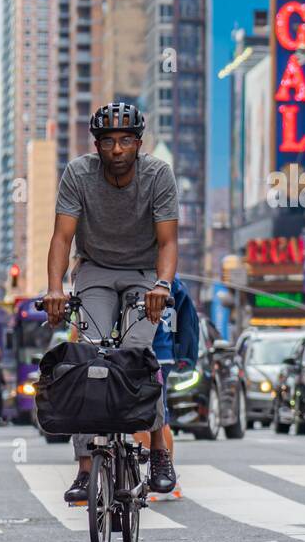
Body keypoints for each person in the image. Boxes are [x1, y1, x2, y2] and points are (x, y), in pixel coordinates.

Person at [43, 102, 180, 502]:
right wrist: (55, 288)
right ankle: (86, 469)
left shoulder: (158, 175)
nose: (117, 150)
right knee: (89, 360)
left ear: (139, 143)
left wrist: (163, 285)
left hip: (144, 275)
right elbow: (62, 238)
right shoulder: (78, 174)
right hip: (95, 270)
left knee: (138, 357)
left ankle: (157, 451)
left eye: (125, 141)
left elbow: (169, 241)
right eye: (107, 142)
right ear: (96, 145)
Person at [146, 274, 199, 501]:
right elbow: (188, 323)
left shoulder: (166, 282)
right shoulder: (173, 282)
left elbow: (186, 322)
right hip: (163, 354)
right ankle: (167, 475)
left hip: (155, 354)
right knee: (158, 413)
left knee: (151, 415)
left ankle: (166, 476)